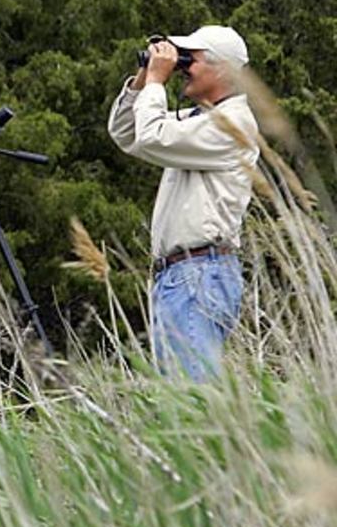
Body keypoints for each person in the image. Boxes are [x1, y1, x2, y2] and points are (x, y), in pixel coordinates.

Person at [108, 25, 260, 381]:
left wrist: (158, 83)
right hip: (182, 276)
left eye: (192, 58)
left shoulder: (232, 124)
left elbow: (152, 135)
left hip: (199, 274)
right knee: (180, 400)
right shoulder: (201, 120)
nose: (183, 66)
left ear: (223, 68)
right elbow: (127, 133)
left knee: (192, 400)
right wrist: (143, 79)